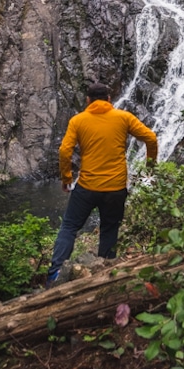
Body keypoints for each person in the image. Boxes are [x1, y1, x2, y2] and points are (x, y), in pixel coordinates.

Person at [47, 81, 158, 286]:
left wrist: (67, 178)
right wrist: (150, 168)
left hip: (87, 186)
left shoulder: (78, 120)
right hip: (116, 188)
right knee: (109, 229)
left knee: (70, 227)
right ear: (109, 99)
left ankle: (55, 273)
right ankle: (106, 275)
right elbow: (151, 138)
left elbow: (64, 151)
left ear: (88, 101)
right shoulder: (123, 117)